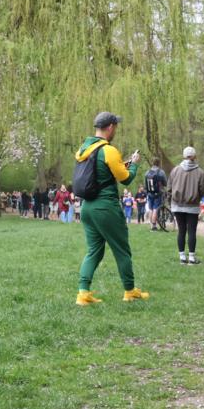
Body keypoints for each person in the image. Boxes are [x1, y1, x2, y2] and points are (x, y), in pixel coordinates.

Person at [74, 111, 149, 305]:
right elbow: (125, 179)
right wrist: (134, 165)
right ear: (110, 127)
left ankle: (83, 293)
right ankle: (130, 290)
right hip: (105, 208)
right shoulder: (108, 150)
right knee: (121, 249)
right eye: (115, 126)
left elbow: (101, 173)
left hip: (87, 207)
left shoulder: (85, 149)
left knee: (94, 251)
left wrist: (125, 164)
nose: (116, 130)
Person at [169, 146, 204, 264]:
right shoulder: (200, 172)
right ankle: (191, 257)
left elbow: (169, 187)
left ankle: (182, 257)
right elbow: (203, 189)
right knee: (192, 231)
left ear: (183, 156)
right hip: (192, 206)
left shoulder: (175, 170)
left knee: (181, 230)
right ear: (194, 157)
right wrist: (197, 197)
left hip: (177, 204)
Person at [144, 158, 167, 230]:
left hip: (149, 193)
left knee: (150, 209)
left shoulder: (147, 172)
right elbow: (165, 183)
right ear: (159, 163)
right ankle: (154, 226)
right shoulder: (161, 172)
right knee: (155, 209)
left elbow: (145, 184)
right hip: (158, 193)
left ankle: (151, 225)